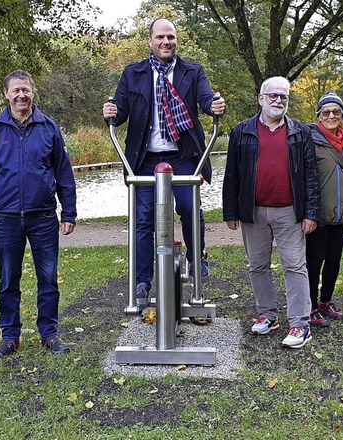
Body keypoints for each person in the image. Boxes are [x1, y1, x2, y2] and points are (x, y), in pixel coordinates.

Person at [102, 18, 226, 308]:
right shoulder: (133, 73)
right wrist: (111, 111)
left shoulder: (192, 71)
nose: (166, 42)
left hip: (183, 155)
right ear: (150, 41)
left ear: (176, 40)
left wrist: (214, 106)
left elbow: (206, 100)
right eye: (160, 37)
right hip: (145, 159)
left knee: (188, 208)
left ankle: (197, 260)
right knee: (144, 218)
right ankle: (143, 280)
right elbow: (118, 114)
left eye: (170, 37)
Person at [0, 70, 77, 357]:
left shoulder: (48, 128)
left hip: (43, 217)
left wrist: (69, 213)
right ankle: (9, 336)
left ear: (32, 92)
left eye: (25, 90)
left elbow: (64, 173)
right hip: (6, 218)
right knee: (8, 280)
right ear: (6, 94)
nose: (21, 95)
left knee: (48, 279)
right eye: (15, 90)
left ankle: (50, 334)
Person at [223, 76, 320, 349]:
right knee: (257, 265)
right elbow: (232, 174)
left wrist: (311, 213)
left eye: (284, 97)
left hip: (290, 212)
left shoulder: (300, 133)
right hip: (253, 212)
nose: (279, 101)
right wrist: (231, 210)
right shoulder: (241, 132)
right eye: (273, 96)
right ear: (261, 98)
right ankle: (267, 315)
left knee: (295, 266)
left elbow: (311, 176)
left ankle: (300, 323)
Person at [306, 91, 343, 327]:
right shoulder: (310, 139)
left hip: (342, 213)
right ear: (319, 115)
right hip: (318, 213)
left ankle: (326, 300)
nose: (331, 115)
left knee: (334, 259)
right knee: (314, 260)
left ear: (342, 115)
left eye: (336, 111)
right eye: (326, 112)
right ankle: (311, 305)